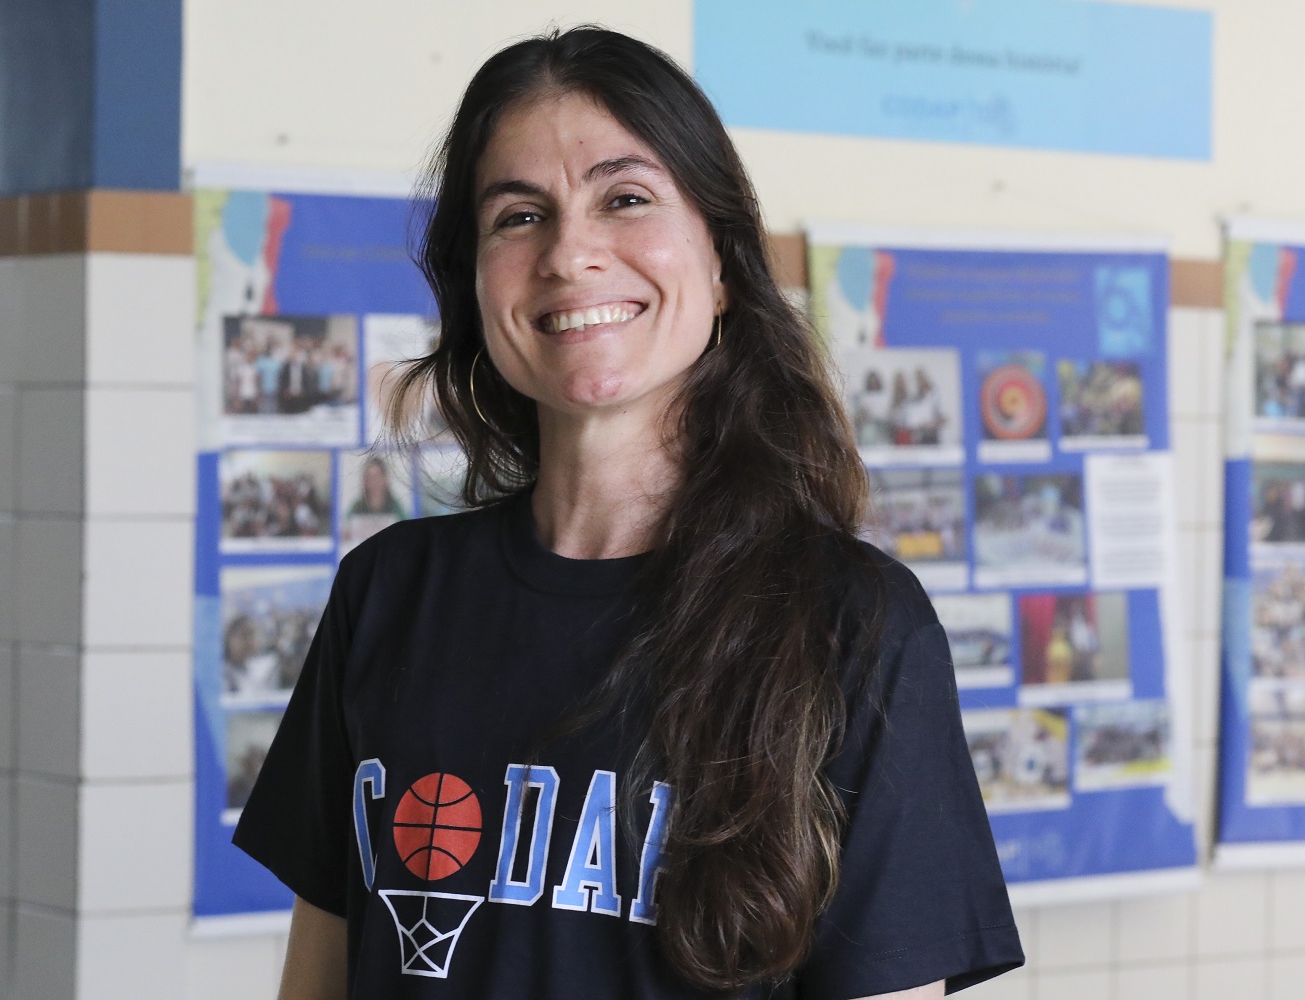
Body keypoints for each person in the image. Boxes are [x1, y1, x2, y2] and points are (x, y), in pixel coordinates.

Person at [233, 26, 1023, 1000]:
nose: (571, 253)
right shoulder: (390, 590)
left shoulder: (853, 624)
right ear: (476, 281)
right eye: (519, 216)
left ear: (724, 260)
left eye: (626, 198)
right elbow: (317, 980)